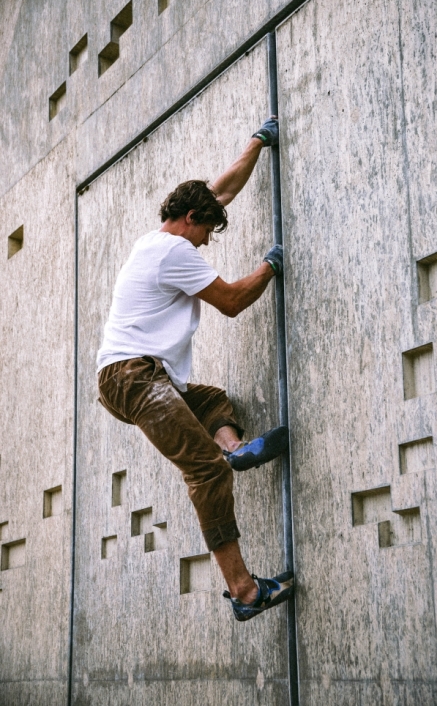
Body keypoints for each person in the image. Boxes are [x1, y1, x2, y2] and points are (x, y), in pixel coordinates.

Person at [96, 117, 294, 621]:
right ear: (189, 219)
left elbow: (221, 188)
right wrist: (271, 265)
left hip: (137, 376)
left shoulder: (154, 240)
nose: (207, 241)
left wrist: (257, 141)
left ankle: (238, 448)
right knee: (204, 472)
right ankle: (244, 592)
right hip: (133, 377)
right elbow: (230, 301)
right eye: (207, 231)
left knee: (209, 400)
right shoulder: (174, 251)